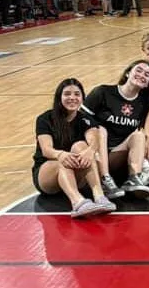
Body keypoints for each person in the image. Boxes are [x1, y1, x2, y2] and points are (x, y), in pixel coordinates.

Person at [33, 79, 116, 218]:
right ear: (59, 97)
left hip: (75, 174)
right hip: (47, 175)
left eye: (77, 94)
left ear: (82, 98)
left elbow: (94, 140)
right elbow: (46, 150)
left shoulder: (85, 119)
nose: (72, 97)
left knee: (81, 146)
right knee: (63, 161)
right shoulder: (45, 118)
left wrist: (90, 151)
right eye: (67, 94)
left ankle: (99, 196)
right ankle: (77, 202)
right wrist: (61, 155)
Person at [80, 60, 149, 199]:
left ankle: (134, 178)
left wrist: (148, 140)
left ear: (147, 83)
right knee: (101, 129)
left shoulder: (144, 103)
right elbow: (80, 120)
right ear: (127, 73)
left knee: (139, 135)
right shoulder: (102, 92)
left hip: (116, 155)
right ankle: (105, 181)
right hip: (94, 154)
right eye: (138, 70)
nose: (142, 75)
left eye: (147, 74)